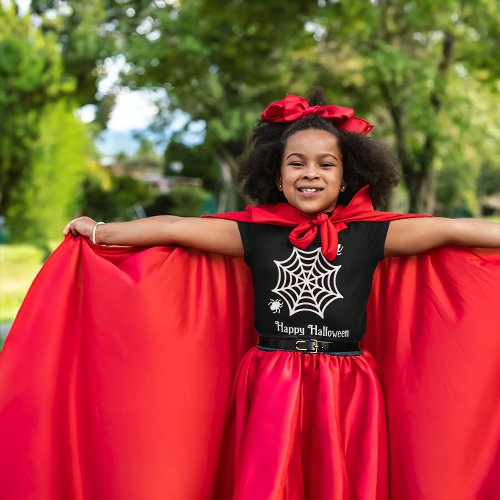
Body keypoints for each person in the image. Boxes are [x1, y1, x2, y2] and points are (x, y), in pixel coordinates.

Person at [58, 89, 500, 499]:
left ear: (347, 178)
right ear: (277, 174)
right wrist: (100, 231)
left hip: (347, 381)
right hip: (273, 374)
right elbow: (177, 227)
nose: (311, 173)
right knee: (267, 482)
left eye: (326, 164)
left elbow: (451, 229)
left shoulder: (371, 235)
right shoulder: (255, 234)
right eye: (296, 163)